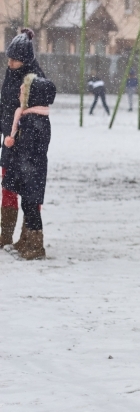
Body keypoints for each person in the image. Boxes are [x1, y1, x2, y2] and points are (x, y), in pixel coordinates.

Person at [2, 74, 57, 260]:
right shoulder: (29, 119)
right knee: (27, 204)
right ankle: (26, 240)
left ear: (32, 97)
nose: (19, 95)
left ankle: (36, 245)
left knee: (31, 207)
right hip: (28, 170)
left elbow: (31, 149)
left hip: (32, 171)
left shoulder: (35, 121)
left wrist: (19, 157)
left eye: (23, 93)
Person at [1, 28, 45, 250]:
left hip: (26, 141)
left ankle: (29, 235)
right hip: (9, 140)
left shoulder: (34, 79)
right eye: (9, 58)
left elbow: (37, 111)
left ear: (25, 60)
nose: (10, 63)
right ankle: (6, 234)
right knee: (7, 187)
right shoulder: (11, 75)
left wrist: (22, 132)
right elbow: (5, 105)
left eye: (15, 59)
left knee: (29, 188)